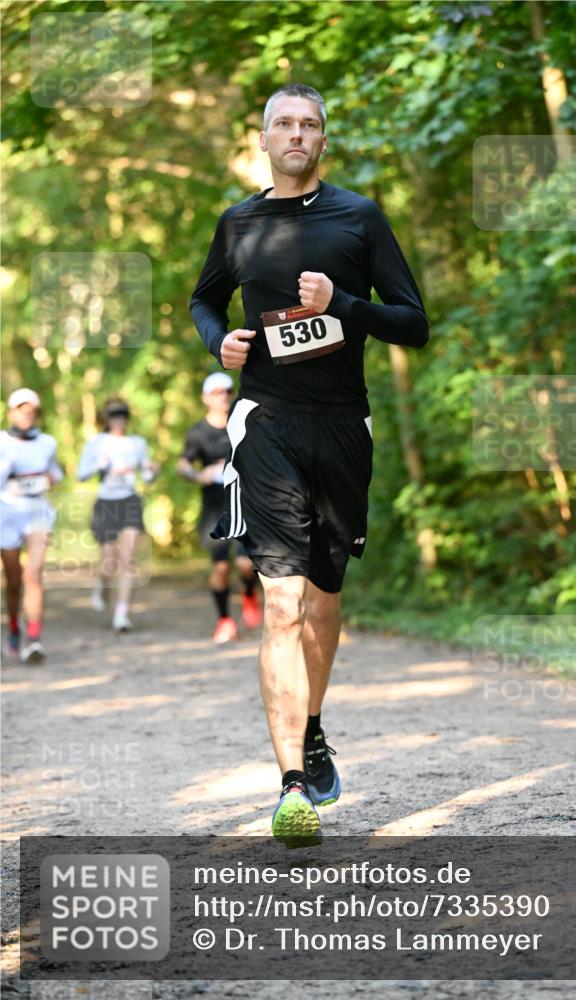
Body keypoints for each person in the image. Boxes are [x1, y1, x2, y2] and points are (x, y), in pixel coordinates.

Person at [189, 83, 428, 847]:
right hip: (266, 425)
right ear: (263, 139)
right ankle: (291, 783)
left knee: (323, 604)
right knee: (282, 603)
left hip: (340, 429)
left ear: (323, 139)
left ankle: (313, 725)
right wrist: (216, 342)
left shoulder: (357, 217)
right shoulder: (239, 223)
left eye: (309, 124)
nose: (297, 134)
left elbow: (413, 324)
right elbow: (202, 302)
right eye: (283, 124)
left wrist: (343, 303)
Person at [177, 371, 262, 643]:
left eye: (227, 391)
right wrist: (197, 475)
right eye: (216, 392)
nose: (223, 396)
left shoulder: (244, 423)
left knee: (246, 564)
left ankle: (249, 594)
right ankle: (224, 620)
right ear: (205, 398)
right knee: (221, 569)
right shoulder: (198, 433)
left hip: (246, 503)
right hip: (214, 509)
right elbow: (183, 464)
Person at [76, 398, 159, 633]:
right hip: (106, 503)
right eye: (114, 415)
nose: (119, 419)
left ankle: (121, 614)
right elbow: (81, 474)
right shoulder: (97, 443)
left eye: (123, 414)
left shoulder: (137, 443)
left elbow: (147, 475)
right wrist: (101, 467)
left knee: (128, 559)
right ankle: (102, 585)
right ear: (107, 418)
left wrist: (153, 471)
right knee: (108, 562)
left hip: (130, 501)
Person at [1, 388, 63, 663]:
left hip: (37, 512)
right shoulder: (1, 442)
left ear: (36, 413)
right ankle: (14, 627)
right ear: (11, 412)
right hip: (7, 514)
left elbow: (56, 472)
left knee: (33, 575)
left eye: (30, 411)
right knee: (13, 580)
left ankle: (33, 640)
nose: (25, 415)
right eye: (20, 410)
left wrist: (50, 478)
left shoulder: (47, 442)